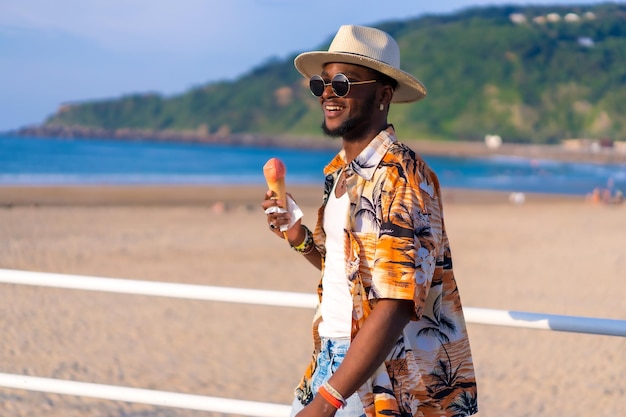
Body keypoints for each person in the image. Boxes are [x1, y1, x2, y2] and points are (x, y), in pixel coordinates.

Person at [261, 25, 478, 417]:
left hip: (377, 375)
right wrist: (299, 237)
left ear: (383, 94)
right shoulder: (341, 172)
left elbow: (395, 302)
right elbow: (352, 272)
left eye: (342, 82)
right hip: (329, 361)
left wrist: (327, 402)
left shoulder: (400, 175)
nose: (328, 92)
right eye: (322, 83)